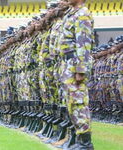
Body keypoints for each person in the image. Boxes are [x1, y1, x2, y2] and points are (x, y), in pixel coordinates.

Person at [58, 0, 94, 149]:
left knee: (79, 103)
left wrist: (80, 70)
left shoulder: (82, 14)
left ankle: (86, 143)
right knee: (72, 103)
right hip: (68, 64)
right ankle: (80, 140)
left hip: (75, 64)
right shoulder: (71, 13)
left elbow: (83, 43)